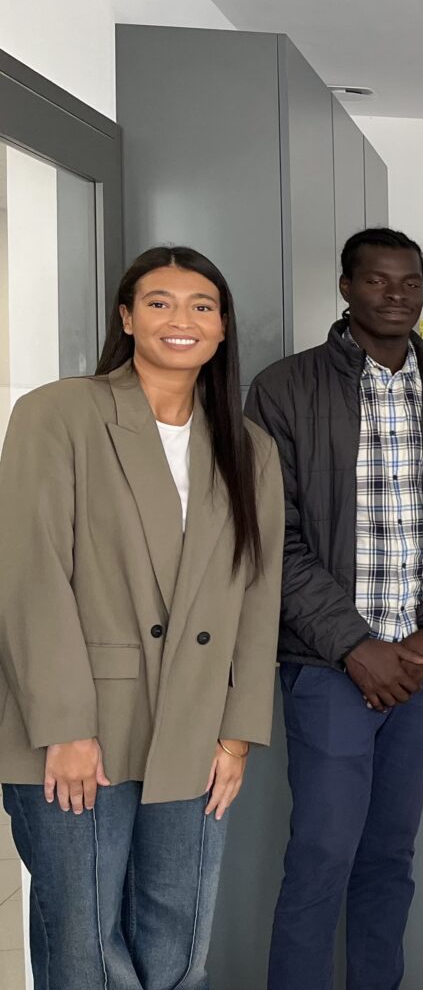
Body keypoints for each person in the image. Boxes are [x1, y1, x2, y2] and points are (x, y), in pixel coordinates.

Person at [0, 247, 283, 990]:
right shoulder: (60, 413)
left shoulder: (248, 449)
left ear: (222, 328)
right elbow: (30, 575)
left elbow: (260, 596)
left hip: (197, 728)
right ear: (126, 319)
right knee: (85, 945)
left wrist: (238, 734)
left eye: (200, 305)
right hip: (81, 726)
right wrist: (62, 727)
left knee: (179, 945)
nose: (180, 320)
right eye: (158, 302)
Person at [251, 227, 423, 990]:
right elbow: (272, 534)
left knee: (391, 856)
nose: (396, 295)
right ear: (345, 287)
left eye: (409, 282)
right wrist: (355, 645)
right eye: (378, 281)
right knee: (322, 855)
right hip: (333, 669)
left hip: (418, 667)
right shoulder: (286, 389)